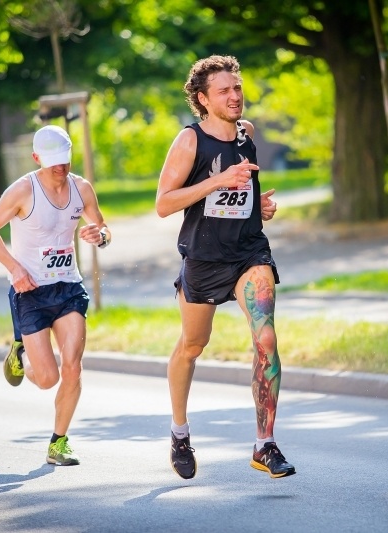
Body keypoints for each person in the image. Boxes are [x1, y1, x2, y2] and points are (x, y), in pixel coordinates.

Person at [155, 55, 295, 480]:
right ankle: (179, 432)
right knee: (192, 346)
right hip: (203, 258)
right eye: (225, 91)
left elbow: (243, 190)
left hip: (249, 253)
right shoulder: (189, 141)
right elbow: (163, 204)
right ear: (203, 99)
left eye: (238, 88)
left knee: (266, 337)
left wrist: (261, 205)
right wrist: (217, 181)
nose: (235, 96)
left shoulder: (246, 135)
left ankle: (264, 444)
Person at [0, 124, 111, 466]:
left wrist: (101, 235)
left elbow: (103, 228)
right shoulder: (22, 190)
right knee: (47, 378)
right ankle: (20, 356)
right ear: (37, 158)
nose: (60, 167)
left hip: (68, 288)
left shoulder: (82, 188)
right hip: (31, 292)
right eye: (51, 161)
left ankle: (59, 442)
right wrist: (14, 269)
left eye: (64, 159)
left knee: (73, 367)